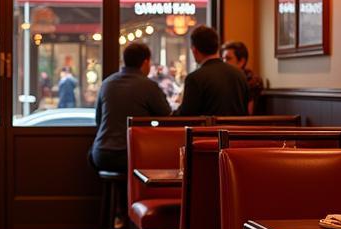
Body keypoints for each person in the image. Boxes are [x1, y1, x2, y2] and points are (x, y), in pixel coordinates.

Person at [90, 42, 170, 174]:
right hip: (132, 154)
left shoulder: (107, 83)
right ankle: (137, 195)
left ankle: (112, 195)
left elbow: (98, 120)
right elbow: (166, 116)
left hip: (102, 154)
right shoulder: (149, 86)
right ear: (145, 62)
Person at [176, 25, 248, 117]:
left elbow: (186, 116)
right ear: (217, 47)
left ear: (194, 51)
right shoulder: (240, 75)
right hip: (237, 131)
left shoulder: (194, 78)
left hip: (208, 131)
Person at [221, 40, 264, 115]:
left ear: (241, 62)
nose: (224, 62)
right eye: (223, 59)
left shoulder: (251, 79)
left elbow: (248, 113)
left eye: (228, 58)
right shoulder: (222, 78)